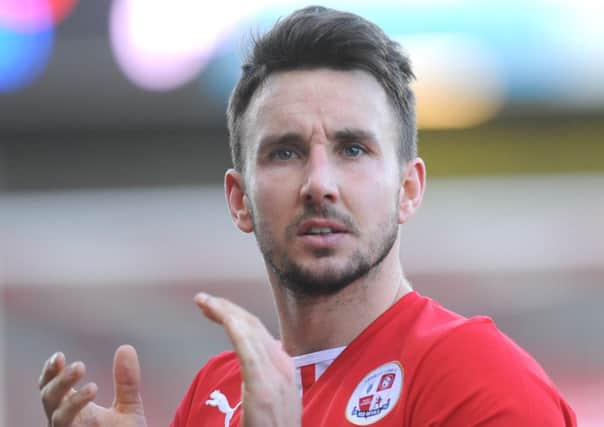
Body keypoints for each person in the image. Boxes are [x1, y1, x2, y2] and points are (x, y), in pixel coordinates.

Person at [38, 5, 577, 427]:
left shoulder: (476, 378)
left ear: (408, 189)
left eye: (353, 150)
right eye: (286, 152)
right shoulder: (216, 395)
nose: (320, 183)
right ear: (239, 199)